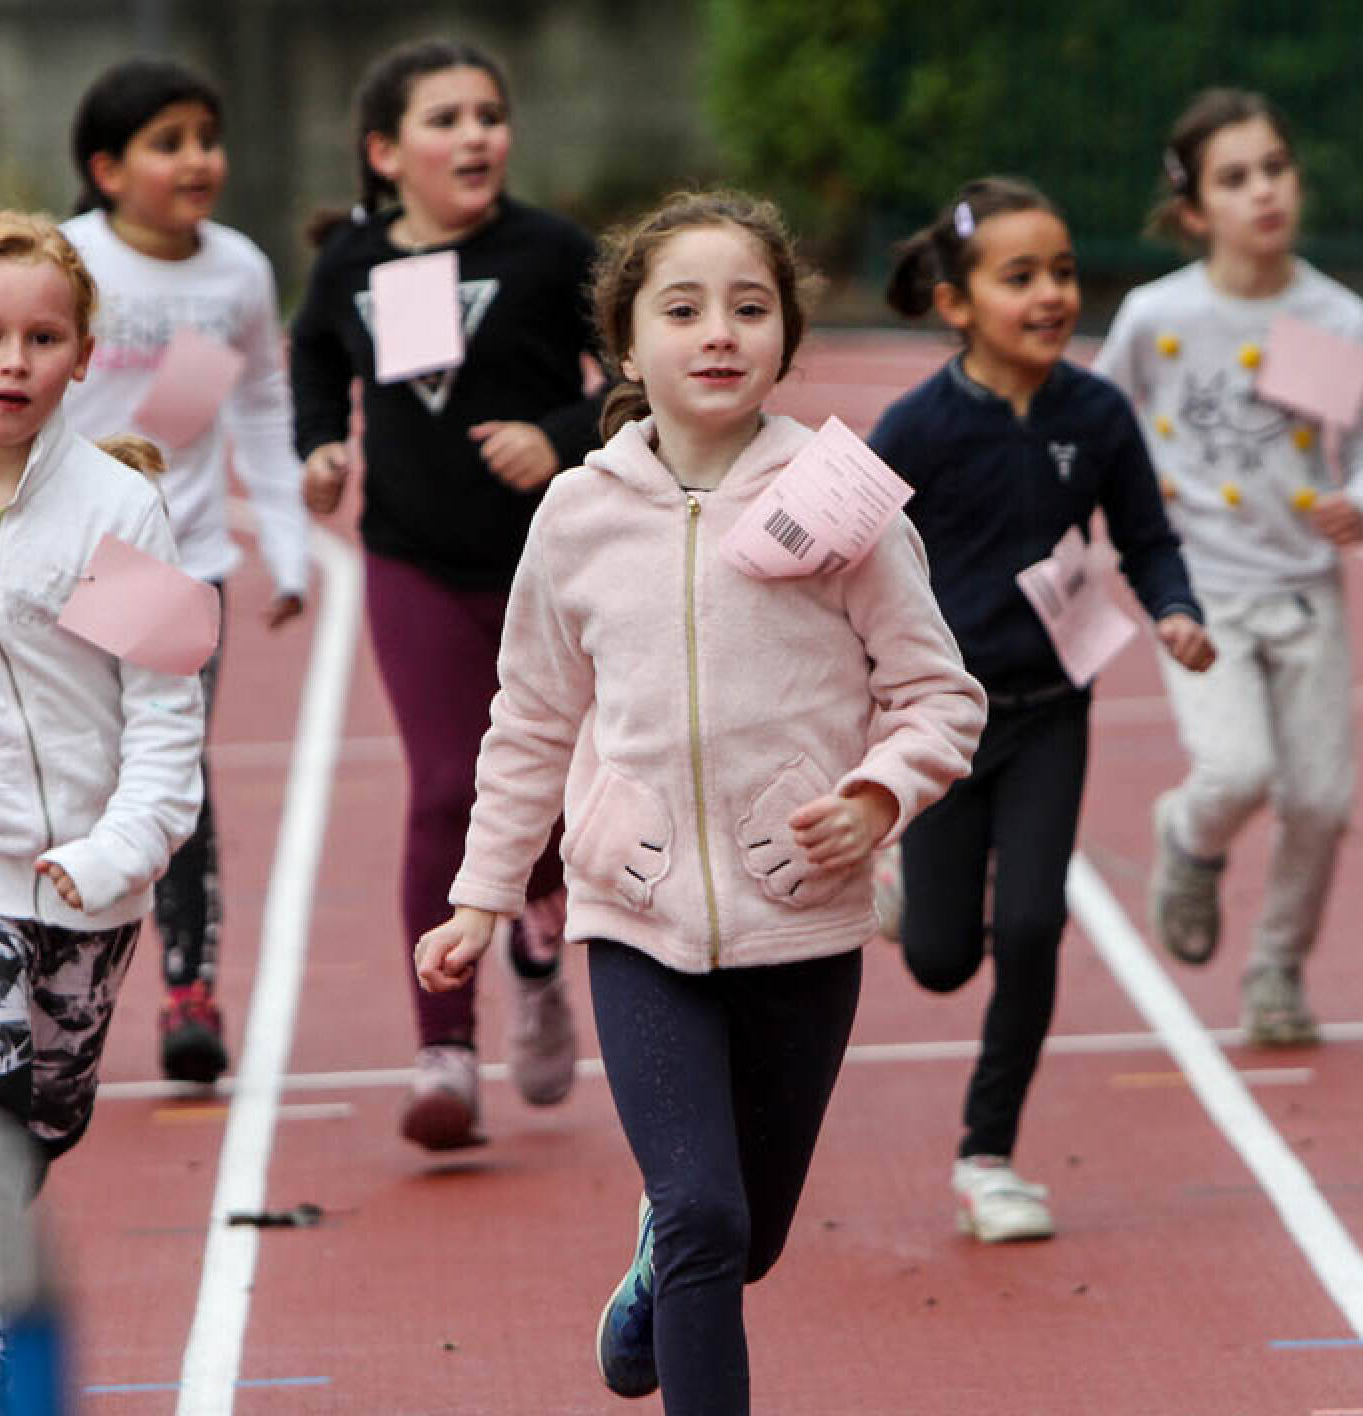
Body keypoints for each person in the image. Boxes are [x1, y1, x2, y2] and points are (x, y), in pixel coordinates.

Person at [417, 189, 986, 1414]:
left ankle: (655, 1281)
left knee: (748, 1237)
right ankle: (675, 1258)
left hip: (802, 916)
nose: (718, 331)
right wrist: (481, 897)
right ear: (627, 349)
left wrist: (877, 799)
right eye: (682, 310)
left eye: (749, 307)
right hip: (635, 914)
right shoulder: (576, 515)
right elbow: (531, 717)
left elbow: (939, 696)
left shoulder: (841, 501)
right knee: (704, 1216)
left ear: (786, 339)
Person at [868, 177, 1215, 1245]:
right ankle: (909, 886)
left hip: (1051, 711)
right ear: (957, 303)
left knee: (1030, 926)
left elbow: (1147, 538)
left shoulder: (1097, 415)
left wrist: (1175, 610)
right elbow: (840, 546)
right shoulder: (917, 427)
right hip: (941, 722)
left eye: (1061, 271)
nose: (1052, 293)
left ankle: (989, 1156)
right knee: (939, 961)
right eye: (1019, 277)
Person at [291, 39, 607, 1151]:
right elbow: (314, 359)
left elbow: (636, 375)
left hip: (551, 566)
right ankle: (445, 1050)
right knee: (444, 786)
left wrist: (559, 434)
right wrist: (321, 446)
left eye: (489, 114)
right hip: (413, 559)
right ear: (385, 152)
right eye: (446, 119)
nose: (475, 135)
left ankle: (538, 948)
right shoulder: (351, 264)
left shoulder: (552, 252)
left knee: (555, 791)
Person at [0, 210, 204, 1415]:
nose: (13, 361)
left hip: (90, 885)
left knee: (39, 1127)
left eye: (42, 338)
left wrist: (120, 849)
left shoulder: (119, 508)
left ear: (84, 356)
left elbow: (165, 711)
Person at [62, 57, 311, 1085]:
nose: (198, 159)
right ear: (107, 169)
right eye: (167, 143)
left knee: (171, 773)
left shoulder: (236, 273)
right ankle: (41, 978)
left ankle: (189, 988)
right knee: (62, 774)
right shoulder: (64, 262)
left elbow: (257, 406)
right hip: (60, 559)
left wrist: (287, 546)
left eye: (207, 138)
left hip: (175, 561)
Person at [1096, 91, 1363, 1047]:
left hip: (1306, 591)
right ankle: (1189, 834)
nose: (1264, 191)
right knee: (1238, 769)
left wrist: (1358, 498)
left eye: (1275, 169)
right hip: (1198, 588)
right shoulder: (1155, 315)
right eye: (1236, 177)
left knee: (1322, 801)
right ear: (1194, 209)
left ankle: (1277, 970)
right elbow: (1098, 421)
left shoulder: (1336, 318)